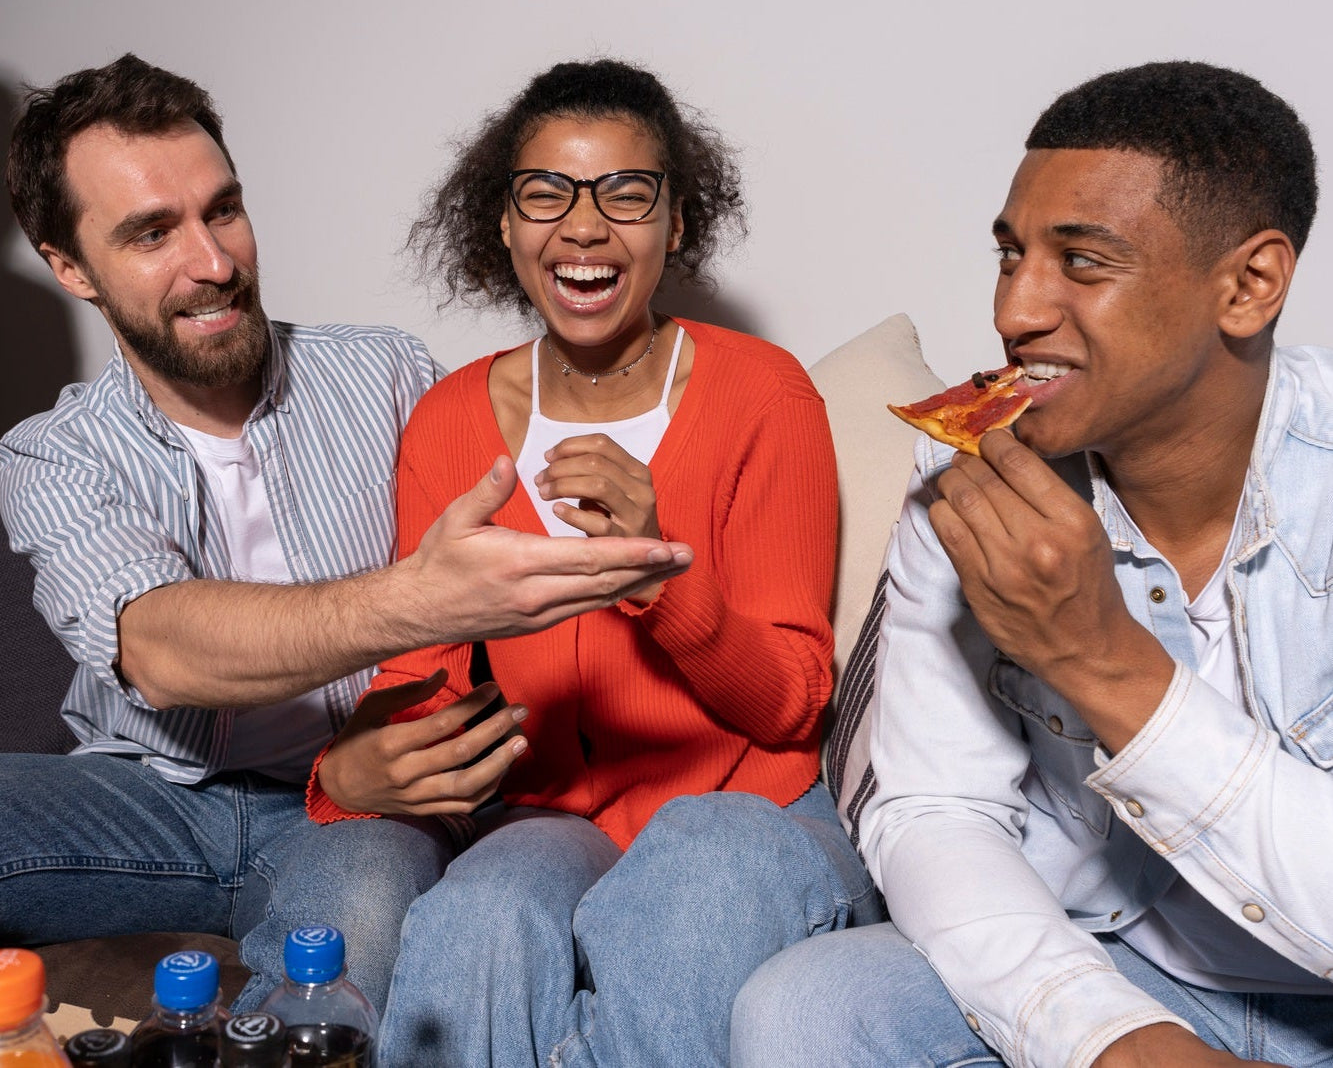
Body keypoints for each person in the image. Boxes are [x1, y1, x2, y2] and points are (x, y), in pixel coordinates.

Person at [0, 54, 691, 1014]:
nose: (213, 261)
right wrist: (411, 599)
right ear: (70, 265)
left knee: (355, 910)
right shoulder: (52, 454)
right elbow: (156, 649)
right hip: (147, 799)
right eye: (153, 232)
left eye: (223, 210)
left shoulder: (391, 377)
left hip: (364, 800)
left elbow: (530, 594)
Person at [731, 61, 1333, 1067]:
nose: (1016, 311)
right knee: (805, 1010)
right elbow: (932, 806)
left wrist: (1101, 658)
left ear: (1248, 283)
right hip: (1127, 966)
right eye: (1010, 257)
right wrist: (1110, 1035)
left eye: (1082, 262)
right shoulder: (968, 472)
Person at [309, 59, 880, 1066]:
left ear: (676, 224)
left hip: (741, 809)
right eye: (546, 193)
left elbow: (793, 702)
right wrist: (349, 768)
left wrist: (658, 578)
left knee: (687, 900)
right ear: (504, 223)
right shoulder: (448, 422)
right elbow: (421, 685)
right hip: (553, 811)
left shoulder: (764, 394)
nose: (583, 226)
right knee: (480, 912)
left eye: (626, 192)